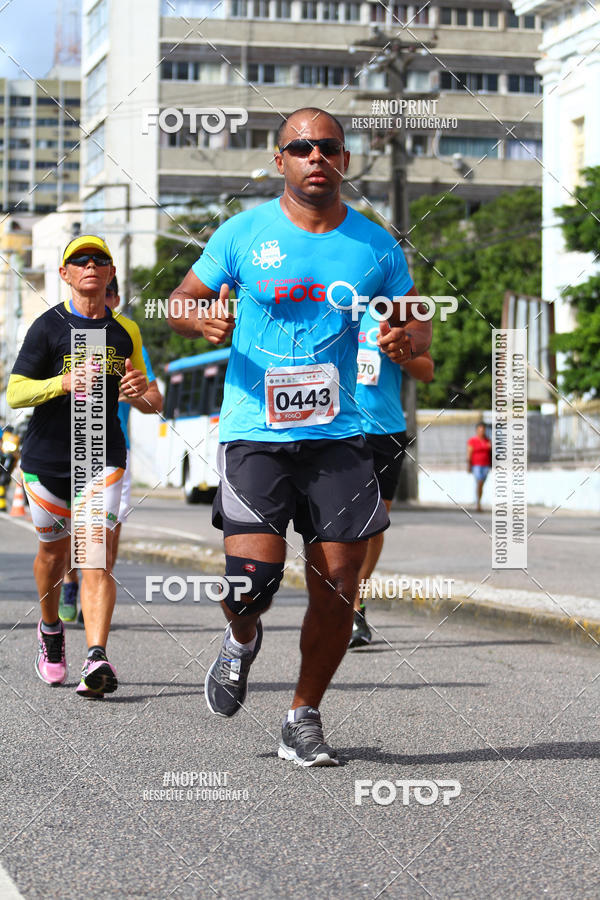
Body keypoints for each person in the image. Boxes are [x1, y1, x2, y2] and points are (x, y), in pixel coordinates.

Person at [168, 107, 432, 766]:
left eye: (329, 148)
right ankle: (241, 640)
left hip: (340, 434)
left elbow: (417, 332)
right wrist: (201, 320)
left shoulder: (377, 246)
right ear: (279, 159)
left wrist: (405, 342)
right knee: (252, 579)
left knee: (339, 582)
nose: (317, 157)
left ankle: (302, 716)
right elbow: (180, 300)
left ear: (344, 160)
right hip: (256, 429)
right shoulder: (242, 232)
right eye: (302, 147)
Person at [7, 235, 148, 698]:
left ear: (110, 274)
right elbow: (15, 393)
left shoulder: (125, 331)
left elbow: (147, 396)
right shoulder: (47, 327)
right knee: (53, 556)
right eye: (79, 260)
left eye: (100, 259)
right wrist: (62, 382)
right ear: (65, 274)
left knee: (95, 559)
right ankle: (50, 631)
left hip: (100, 455)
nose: (90, 265)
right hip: (47, 458)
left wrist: (139, 390)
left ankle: (96, 656)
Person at [59, 275, 163, 625]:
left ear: (115, 298)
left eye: (109, 293)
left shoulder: (127, 341)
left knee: (108, 533)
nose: (102, 300)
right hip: (67, 449)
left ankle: (95, 587)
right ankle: (71, 581)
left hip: (114, 453)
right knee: (72, 531)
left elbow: (155, 399)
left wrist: (137, 394)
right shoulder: (60, 332)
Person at [350, 302, 434, 647]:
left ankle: (355, 602)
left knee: (375, 523)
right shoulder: (333, 307)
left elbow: (427, 371)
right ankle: (345, 604)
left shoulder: (400, 313)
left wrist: (400, 354)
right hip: (341, 428)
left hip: (386, 431)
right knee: (344, 521)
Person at [467, 421, 492, 512]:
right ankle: (478, 503)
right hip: (476, 465)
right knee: (480, 482)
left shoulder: (487, 440)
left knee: (482, 484)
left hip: (486, 465)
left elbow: (491, 453)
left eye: (483, 430)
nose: (482, 432)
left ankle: (478, 500)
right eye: (480, 430)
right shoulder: (472, 441)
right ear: (477, 431)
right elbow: (469, 453)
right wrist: (469, 465)